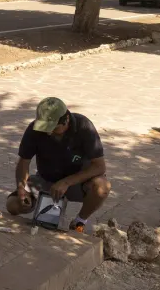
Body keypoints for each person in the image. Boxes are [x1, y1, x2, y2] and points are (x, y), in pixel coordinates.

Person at [6, 97, 111, 233]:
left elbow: (99, 166)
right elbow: (23, 162)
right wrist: (21, 188)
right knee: (12, 206)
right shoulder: (34, 129)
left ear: (66, 119)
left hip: (76, 183)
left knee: (102, 186)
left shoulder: (84, 126)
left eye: (53, 128)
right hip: (45, 180)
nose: (48, 132)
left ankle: (80, 221)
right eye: (45, 127)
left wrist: (66, 182)